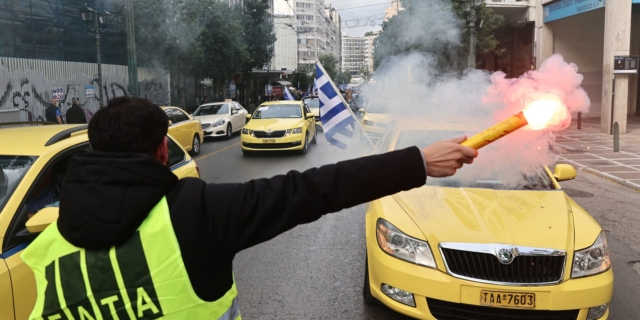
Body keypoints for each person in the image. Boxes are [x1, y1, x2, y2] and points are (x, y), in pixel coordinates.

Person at [22, 97, 477, 319]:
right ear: (163, 150)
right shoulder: (198, 212)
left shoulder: (46, 247)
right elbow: (314, 190)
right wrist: (417, 161)